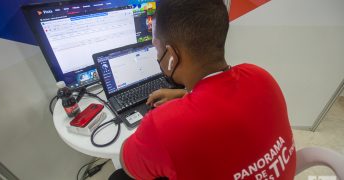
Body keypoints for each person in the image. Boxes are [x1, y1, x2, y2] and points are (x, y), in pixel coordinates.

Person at [110, 0, 296, 179]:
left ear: (172, 56)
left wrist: (150, 132)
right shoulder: (260, 76)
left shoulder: (164, 126)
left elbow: (126, 163)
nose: (157, 56)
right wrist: (185, 95)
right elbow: (223, 104)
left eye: (156, 48)